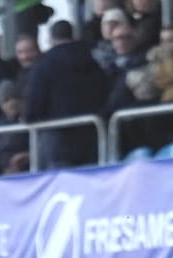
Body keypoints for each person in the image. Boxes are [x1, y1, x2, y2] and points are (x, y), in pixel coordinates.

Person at [25, 19, 110, 169]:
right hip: (92, 136)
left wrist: (27, 118)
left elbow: (33, 105)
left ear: (51, 38)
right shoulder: (93, 62)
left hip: (58, 140)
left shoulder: (44, 65)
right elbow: (104, 92)